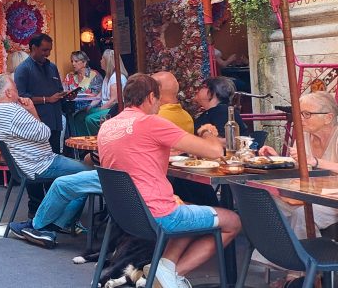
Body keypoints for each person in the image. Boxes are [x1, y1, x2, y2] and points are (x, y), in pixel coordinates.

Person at [21, 72, 199, 249]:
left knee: (72, 177)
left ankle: (39, 227)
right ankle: (51, 226)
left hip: (127, 180)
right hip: (137, 178)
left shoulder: (151, 120)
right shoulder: (184, 116)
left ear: (154, 93)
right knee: (76, 175)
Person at [99, 74, 241, 288]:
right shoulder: (151, 122)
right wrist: (207, 131)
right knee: (232, 221)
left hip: (125, 215)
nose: (160, 105)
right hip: (158, 215)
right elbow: (214, 151)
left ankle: (164, 271)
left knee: (188, 209)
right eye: (158, 100)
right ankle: (169, 276)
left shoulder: (108, 126)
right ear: (150, 98)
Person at [0, 73, 91, 243]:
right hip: (40, 163)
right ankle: (55, 224)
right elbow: (45, 133)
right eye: (15, 89)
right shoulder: (13, 111)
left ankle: (51, 221)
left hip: (24, 164)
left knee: (77, 176)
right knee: (88, 175)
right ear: (8, 93)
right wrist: (32, 110)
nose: (18, 92)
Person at [259, 92, 338, 239]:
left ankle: (307, 257)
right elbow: (299, 167)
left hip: (332, 200)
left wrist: (315, 161)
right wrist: (277, 159)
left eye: (307, 114)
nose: (300, 118)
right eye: (299, 113)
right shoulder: (304, 137)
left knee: (302, 214)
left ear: (328, 117)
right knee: (268, 203)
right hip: (308, 194)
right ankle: (273, 254)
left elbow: (311, 161)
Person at [13, 33, 67, 153]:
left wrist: (66, 96)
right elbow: (21, 98)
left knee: (55, 156)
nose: (48, 54)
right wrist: (46, 99)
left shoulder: (52, 67)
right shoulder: (23, 69)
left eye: (49, 50)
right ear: (33, 48)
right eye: (44, 50)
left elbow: (59, 90)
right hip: (37, 124)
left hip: (55, 122)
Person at [82, 49, 128, 136]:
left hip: (114, 109)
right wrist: (90, 106)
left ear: (108, 62)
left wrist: (100, 109)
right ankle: (82, 142)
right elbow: (100, 95)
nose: (100, 61)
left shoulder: (116, 77)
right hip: (106, 107)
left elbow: (113, 101)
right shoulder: (107, 77)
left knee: (90, 119)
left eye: (102, 59)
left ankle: (97, 140)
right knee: (81, 115)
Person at [194, 76, 251, 142]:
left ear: (213, 92)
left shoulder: (222, 111)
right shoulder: (211, 112)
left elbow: (228, 142)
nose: (197, 90)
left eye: (203, 87)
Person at [65, 51, 104, 137]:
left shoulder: (94, 75)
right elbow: (65, 92)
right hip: (73, 108)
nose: (73, 64)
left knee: (79, 117)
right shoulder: (70, 76)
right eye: (72, 61)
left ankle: (84, 145)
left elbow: (97, 95)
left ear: (84, 62)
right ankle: (75, 147)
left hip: (90, 107)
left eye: (76, 61)